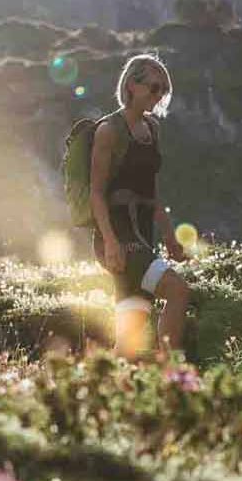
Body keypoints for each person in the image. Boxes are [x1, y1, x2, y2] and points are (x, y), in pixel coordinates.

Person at [89, 53, 193, 362]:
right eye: (154, 87)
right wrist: (110, 242)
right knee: (177, 290)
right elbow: (96, 193)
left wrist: (170, 239)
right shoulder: (108, 130)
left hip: (144, 236)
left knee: (129, 340)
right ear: (132, 85)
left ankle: (85, 391)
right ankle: (173, 378)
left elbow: (153, 194)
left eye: (163, 90)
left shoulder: (152, 130)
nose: (158, 95)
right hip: (119, 236)